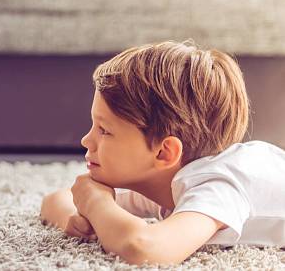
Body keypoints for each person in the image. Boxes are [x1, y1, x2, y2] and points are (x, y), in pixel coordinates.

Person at [40, 41, 285, 265]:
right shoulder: (162, 179)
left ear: (164, 153)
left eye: (104, 130)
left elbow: (144, 249)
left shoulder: (216, 187)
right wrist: (75, 219)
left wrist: (96, 204)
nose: (86, 140)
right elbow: (54, 201)